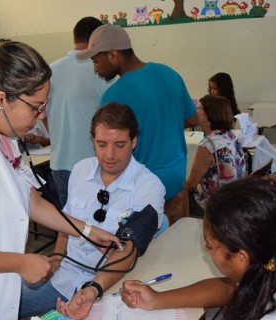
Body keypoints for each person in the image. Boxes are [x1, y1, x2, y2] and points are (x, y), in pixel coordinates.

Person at [0, 39, 120, 320]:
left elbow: (30, 200)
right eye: (36, 107)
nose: (42, 115)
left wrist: (88, 231)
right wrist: (20, 262)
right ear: (0, 99)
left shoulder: (0, 136)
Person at [20, 103, 166, 319]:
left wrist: (93, 289)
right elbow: (66, 223)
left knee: (7, 305)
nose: (110, 155)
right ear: (93, 142)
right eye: (101, 144)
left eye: (120, 144)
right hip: (65, 274)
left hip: (108, 285)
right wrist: (58, 257)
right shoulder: (80, 169)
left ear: (133, 141)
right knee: (2, 292)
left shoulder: (150, 187)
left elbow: (128, 250)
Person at [76, 24, 199, 225]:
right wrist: (164, 124)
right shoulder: (169, 74)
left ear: (113, 55)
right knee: (174, 242)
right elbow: (194, 119)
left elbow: (112, 144)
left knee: (144, 250)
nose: (95, 68)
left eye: (96, 61)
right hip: (176, 178)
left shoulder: (114, 95)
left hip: (143, 189)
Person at [121, 177, 276, 320]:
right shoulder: (263, 267)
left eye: (210, 246)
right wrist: (156, 299)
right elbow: (229, 289)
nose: (206, 250)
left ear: (241, 258)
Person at [46, 16, 113, 209]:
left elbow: (42, 116)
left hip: (58, 163)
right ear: (97, 39)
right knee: (96, 224)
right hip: (93, 163)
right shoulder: (101, 70)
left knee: (70, 226)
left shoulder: (50, 71)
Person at [186, 95, 246, 216]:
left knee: (175, 200)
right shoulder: (230, 135)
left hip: (215, 204)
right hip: (236, 197)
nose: (195, 111)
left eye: (198, 108)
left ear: (209, 114)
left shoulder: (208, 145)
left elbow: (191, 184)